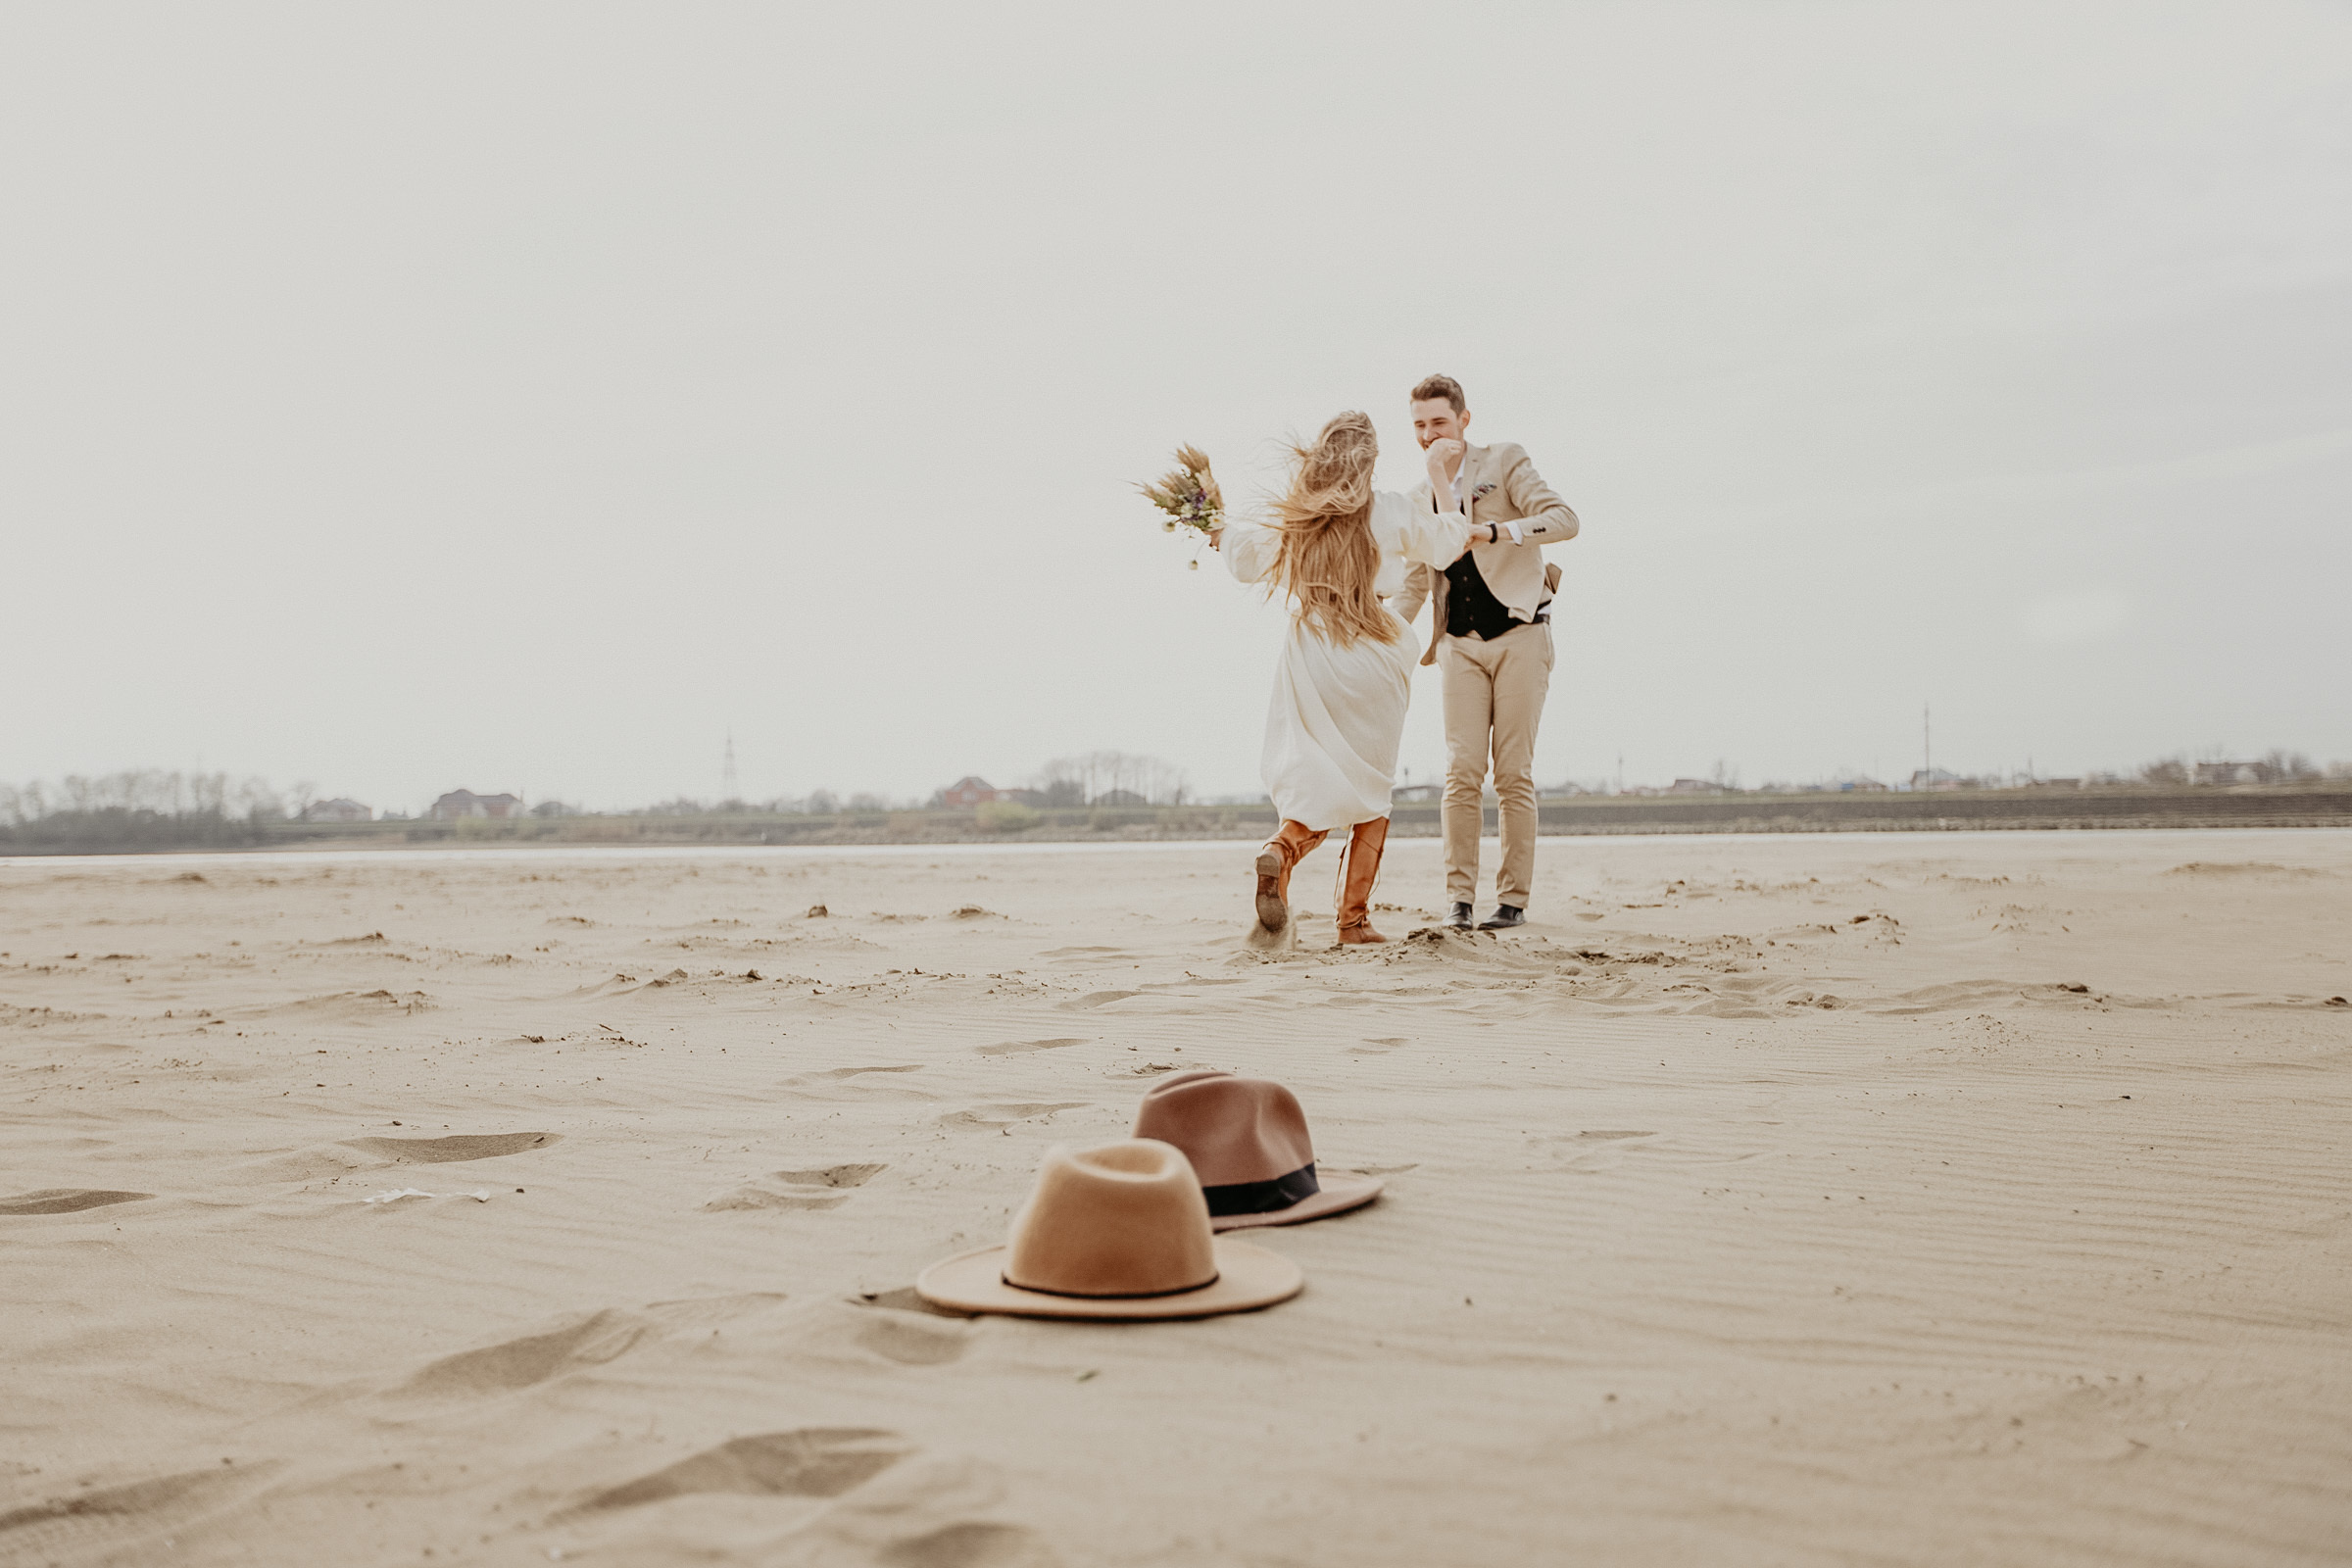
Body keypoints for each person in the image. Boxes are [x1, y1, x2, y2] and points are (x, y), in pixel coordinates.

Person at [1211, 412, 1489, 944]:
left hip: (1313, 644)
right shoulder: (1386, 509)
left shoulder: (1298, 518)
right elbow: (1447, 543)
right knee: (1372, 789)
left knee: (1317, 774)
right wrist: (1440, 482)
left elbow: (1245, 559)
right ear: (1370, 460)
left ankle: (1283, 849)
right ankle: (1353, 923)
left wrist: (1218, 532)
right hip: (1374, 648)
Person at [1390, 374, 1580, 931]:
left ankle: (1513, 902)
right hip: (1458, 646)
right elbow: (1413, 585)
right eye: (1420, 426)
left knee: (1513, 773)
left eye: (1439, 423)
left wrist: (1493, 531)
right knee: (1461, 772)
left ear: (1464, 420)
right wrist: (1379, 635)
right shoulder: (1415, 499)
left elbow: (1565, 520)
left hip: (1521, 634)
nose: (1429, 435)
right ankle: (1459, 902)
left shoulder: (1504, 461)